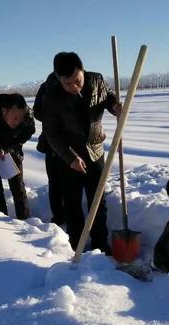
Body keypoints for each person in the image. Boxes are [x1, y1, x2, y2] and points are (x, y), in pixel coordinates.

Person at [41, 52, 121, 253]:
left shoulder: (96, 80)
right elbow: (51, 133)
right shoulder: (52, 96)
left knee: (98, 202)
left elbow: (108, 96)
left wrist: (114, 106)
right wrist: (70, 158)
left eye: (77, 80)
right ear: (59, 78)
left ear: (83, 71)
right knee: (72, 204)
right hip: (68, 156)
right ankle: (76, 247)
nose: (74, 86)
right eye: (68, 83)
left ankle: (101, 245)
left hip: (95, 150)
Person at [33, 77, 65, 226]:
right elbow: (37, 112)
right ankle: (59, 217)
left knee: (65, 183)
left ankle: (64, 216)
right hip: (52, 142)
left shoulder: (73, 83)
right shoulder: (47, 85)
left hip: (70, 141)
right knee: (55, 183)